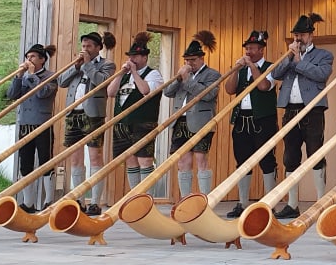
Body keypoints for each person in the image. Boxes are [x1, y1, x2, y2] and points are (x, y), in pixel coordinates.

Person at [273, 13, 335, 219]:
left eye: (302, 35)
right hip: (290, 109)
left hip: (312, 109)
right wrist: (290, 56)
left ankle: (321, 201)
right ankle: (292, 204)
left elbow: (321, 75)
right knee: (290, 155)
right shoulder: (289, 54)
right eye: (296, 34)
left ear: (311, 35)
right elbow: (276, 74)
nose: (298, 38)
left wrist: (299, 61)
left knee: (315, 152)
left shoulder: (324, 55)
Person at [56, 31, 116, 214]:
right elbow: (61, 82)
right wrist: (76, 66)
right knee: (75, 158)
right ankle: (80, 200)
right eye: (83, 46)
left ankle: (95, 202)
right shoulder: (78, 64)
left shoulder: (107, 65)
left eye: (89, 46)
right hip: (73, 113)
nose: (85, 49)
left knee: (95, 156)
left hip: (93, 115)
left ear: (98, 48)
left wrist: (88, 65)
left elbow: (101, 82)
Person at [106, 32, 166, 212]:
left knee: (145, 161)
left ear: (144, 57)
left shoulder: (153, 74)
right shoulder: (124, 75)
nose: (132, 59)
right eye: (130, 56)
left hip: (143, 122)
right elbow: (110, 93)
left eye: (136, 56)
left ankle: (146, 199)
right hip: (123, 123)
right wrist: (119, 75)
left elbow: (145, 91)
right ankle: (134, 198)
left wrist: (134, 72)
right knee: (130, 160)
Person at [224, 30, 279, 218]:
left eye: (253, 48)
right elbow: (229, 89)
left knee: (267, 160)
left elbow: (263, 86)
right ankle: (242, 202)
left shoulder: (271, 67)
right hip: (241, 119)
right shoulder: (241, 69)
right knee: (242, 161)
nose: (249, 52)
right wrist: (236, 69)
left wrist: (253, 67)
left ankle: (270, 202)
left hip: (263, 119)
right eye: (247, 48)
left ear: (261, 50)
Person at [163, 31, 220, 197]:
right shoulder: (182, 75)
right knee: (182, 161)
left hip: (201, 121)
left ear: (202, 59)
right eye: (187, 60)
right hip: (180, 120)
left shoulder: (212, 74)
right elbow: (168, 92)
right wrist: (179, 78)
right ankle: (185, 199)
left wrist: (188, 79)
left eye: (193, 60)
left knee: (201, 160)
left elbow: (208, 94)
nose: (189, 63)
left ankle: (204, 199)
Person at [5, 44, 58, 213]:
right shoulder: (24, 75)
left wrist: (33, 75)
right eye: (28, 57)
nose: (29, 60)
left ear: (42, 60)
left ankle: (48, 200)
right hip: (25, 123)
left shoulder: (50, 76)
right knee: (25, 162)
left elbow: (43, 93)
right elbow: (12, 95)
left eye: (33, 57)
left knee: (45, 161)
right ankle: (28, 202)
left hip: (42, 122)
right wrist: (19, 76)